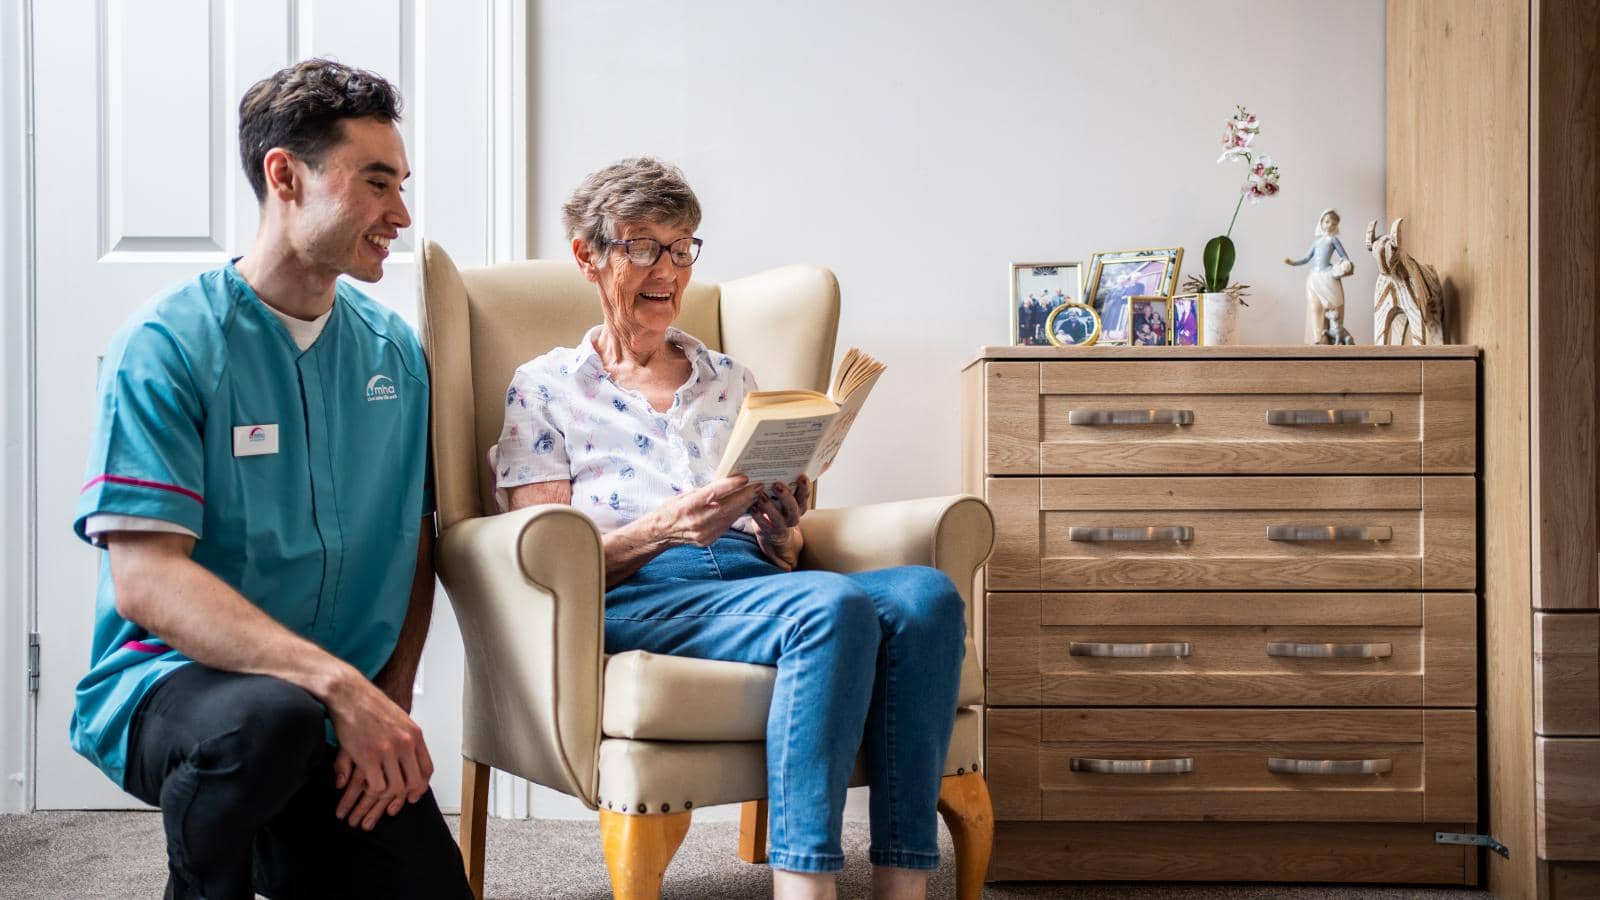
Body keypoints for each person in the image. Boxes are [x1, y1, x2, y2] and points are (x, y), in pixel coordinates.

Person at [496, 158, 966, 900]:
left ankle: (902, 886)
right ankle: (804, 885)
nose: (669, 270)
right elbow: (541, 562)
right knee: (831, 607)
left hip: (754, 584)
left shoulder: (730, 379)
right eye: (644, 246)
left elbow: (782, 556)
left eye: (683, 248)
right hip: (641, 592)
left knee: (926, 596)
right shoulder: (547, 386)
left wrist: (784, 534)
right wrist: (665, 529)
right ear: (589, 256)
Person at [72, 59, 472, 899]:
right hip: (174, 687)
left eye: (402, 184)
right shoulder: (167, 346)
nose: (400, 214)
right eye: (375, 183)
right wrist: (338, 688)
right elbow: (146, 580)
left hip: (335, 712)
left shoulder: (394, 353)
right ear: (284, 175)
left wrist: (386, 706)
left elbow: (417, 540)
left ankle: (283, 846)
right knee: (268, 723)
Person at [1285, 208, 1356, 344]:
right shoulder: (1317, 242)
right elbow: (1307, 258)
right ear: (1321, 223)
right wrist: (1293, 263)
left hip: (1328, 277)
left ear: (1336, 226)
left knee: (1334, 307)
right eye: (1327, 221)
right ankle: (1318, 338)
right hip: (1314, 278)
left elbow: (1345, 257)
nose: (1329, 225)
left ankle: (1335, 336)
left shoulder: (1333, 240)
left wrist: (1344, 266)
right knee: (1315, 307)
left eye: (1333, 223)